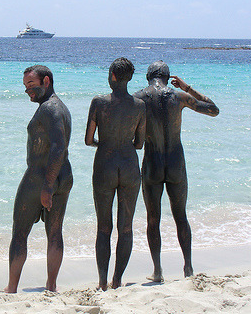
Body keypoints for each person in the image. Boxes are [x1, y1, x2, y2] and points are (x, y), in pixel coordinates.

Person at [134, 61, 219, 282]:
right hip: (176, 163)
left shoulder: (138, 98)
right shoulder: (179, 97)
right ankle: (188, 268)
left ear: (148, 77)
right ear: (168, 76)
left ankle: (158, 271)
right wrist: (186, 87)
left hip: (152, 163)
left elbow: (131, 133)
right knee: (181, 216)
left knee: (153, 219)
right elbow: (213, 110)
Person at [4, 65, 73, 293]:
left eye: (31, 85)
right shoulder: (61, 107)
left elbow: (58, 146)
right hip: (63, 175)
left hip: (41, 177)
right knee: (55, 232)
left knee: (20, 232)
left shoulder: (48, 109)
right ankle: (51, 285)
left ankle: (12, 287)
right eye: (25, 86)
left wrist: (47, 186)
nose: (27, 91)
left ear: (46, 81)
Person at [85, 57, 146, 290]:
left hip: (105, 165)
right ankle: (117, 280)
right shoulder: (140, 106)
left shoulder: (99, 103)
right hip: (130, 166)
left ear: (112, 76)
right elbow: (139, 143)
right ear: (129, 78)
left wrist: (103, 142)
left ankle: (102, 282)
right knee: (126, 227)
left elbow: (89, 139)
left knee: (104, 227)